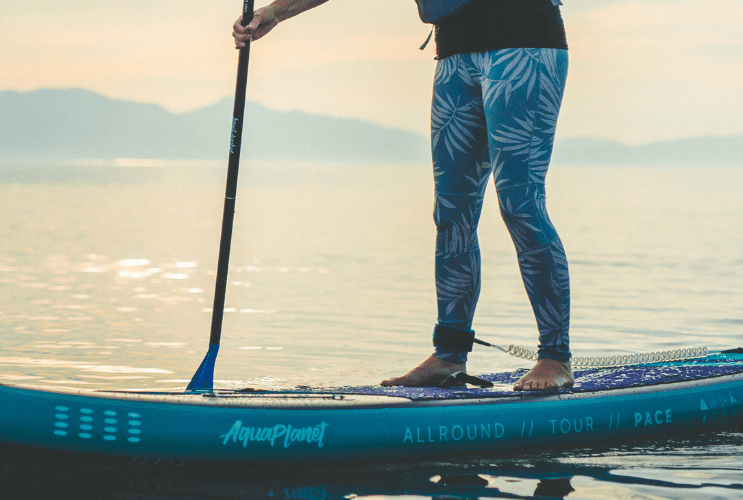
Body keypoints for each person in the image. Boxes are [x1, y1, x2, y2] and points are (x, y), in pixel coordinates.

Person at [232, 0, 574, 391]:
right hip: (454, 53)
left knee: (520, 203)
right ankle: (449, 354)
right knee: (451, 211)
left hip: (523, 45)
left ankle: (555, 357)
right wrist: (276, 12)